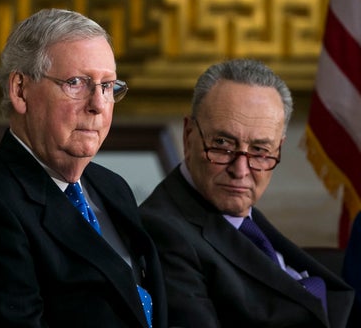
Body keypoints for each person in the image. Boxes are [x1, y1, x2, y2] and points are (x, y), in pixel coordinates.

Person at [0, 8, 167, 328]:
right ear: (20, 90)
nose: (98, 105)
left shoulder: (111, 186)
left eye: (107, 86)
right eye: (76, 83)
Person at [139, 58, 354, 328]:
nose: (240, 170)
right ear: (188, 135)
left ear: (278, 148)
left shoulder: (238, 217)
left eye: (260, 150)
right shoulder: (163, 231)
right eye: (222, 144)